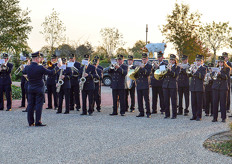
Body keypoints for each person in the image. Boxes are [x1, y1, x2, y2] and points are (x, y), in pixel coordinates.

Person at [23, 51, 60, 126]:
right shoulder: (40, 67)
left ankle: (30, 122)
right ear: (36, 59)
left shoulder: (27, 67)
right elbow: (51, 73)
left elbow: (23, 72)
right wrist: (58, 67)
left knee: (30, 105)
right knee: (38, 105)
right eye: (39, 58)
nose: (40, 59)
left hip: (30, 87)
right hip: (39, 88)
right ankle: (38, 121)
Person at [212, 56, 230, 122]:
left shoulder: (227, 69)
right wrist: (213, 73)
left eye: (221, 62)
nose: (220, 63)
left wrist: (220, 73)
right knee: (215, 102)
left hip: (223, 88)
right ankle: (215, 117)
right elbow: (213, 77)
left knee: (223, 103)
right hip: (215, 87)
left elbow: (226, 77)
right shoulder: (216, 68)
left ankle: (223, 118)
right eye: (219, 62)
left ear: (224, 62)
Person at [189, 54, 206, 121]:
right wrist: (191, 70)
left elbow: (202, 77)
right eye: (196, 61)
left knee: (199, 103)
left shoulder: (203, 68)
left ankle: (199, 116)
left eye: (199, 61)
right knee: (193, 102)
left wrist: (195, 72)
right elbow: (189, 75)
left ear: (201, 61)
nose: (197, 62)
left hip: (199, 88)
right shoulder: (194, 67)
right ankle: (194, 115)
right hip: (193, 87)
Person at [163, 54, 180, 119]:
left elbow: (175, 75)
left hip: (172, 85)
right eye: (170, 60)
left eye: (173, 60)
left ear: (175, 61)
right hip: (166, 85)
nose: (171, 61)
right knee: (166, 100)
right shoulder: (166, 66)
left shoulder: (177, 67)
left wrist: (170, 70)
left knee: (174, 100)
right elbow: (163, 75)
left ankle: (174, 114)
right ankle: (167, 114)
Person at [135, 53, 152, 118]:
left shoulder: (149, 66)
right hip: (139, 84)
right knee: (139, 99)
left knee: (146, 99)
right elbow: (136, 74)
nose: (143, 60)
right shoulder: (139, 66)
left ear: (147, 59)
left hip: (145, 84)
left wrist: (142, 68)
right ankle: (141, 112)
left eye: (144, 59)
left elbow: (147, 73)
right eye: (142, 59)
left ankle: (148, 112)